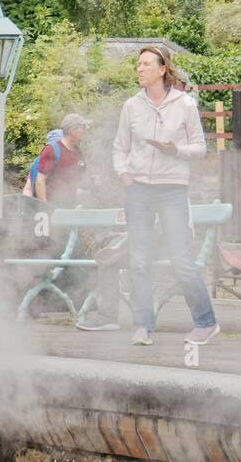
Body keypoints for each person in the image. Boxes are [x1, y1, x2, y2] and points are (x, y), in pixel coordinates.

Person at [112, 44, 219, 347]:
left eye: (146, 64)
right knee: (139, 260)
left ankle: (206, 322)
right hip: (139, 191)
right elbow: (119, 147)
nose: (140, 69)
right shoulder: (131, 106)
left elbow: (200, 147)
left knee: (180, 259)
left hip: (172, 189)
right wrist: (123, 174)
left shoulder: (184, 104)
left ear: (162, 69)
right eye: (138, 64)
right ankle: (143, 325)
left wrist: (176, 150)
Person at [26, 113, 90, 207]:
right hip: (52, 206)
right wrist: (45, 208)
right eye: (82, 127)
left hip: (69, 207)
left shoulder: (78, 151)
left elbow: (77, 180)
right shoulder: (52, 149)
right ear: (72, 130)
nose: (84, 130)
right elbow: (40, 182)